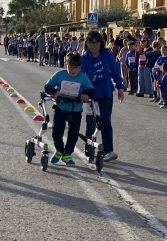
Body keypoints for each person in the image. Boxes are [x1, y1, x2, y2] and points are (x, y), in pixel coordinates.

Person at [81, 30, 125, 161]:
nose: (94, 45)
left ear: (101, 42)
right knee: (90, 123)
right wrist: (81, 92)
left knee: (105, 121)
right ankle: (89, 149)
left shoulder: (107, 54)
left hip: (106, 92)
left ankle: (108, 151)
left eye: (96, 42)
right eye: (91, 42)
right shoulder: (84, 58)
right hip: (90, 95)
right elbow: (81, 76)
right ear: (87, 43)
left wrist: (120, 87)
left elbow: (115, 71)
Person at [45, 52, 95, 166]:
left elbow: (91, 90)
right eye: (70, 67)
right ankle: (59, 150)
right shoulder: (60, 75)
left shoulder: (82, 77)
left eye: (76, 68)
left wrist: (86, 95)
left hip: (76, 109)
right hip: (60, 107)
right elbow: (47, 86)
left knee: (74, 133)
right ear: (65, 64)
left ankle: (67, 154)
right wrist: (54, 92)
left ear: (80, 67)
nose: (73, 70)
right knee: (57, 132)